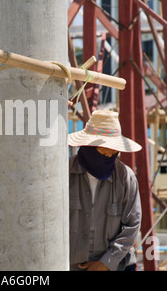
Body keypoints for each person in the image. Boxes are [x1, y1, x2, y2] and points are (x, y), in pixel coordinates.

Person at [68, 109, 142, 271]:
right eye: (103, 150)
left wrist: (105, 263)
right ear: (88, 146)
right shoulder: (63, 174)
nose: (109, 154)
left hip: (117, 265)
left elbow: (132, 225)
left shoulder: (125, 177)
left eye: (113, 150)